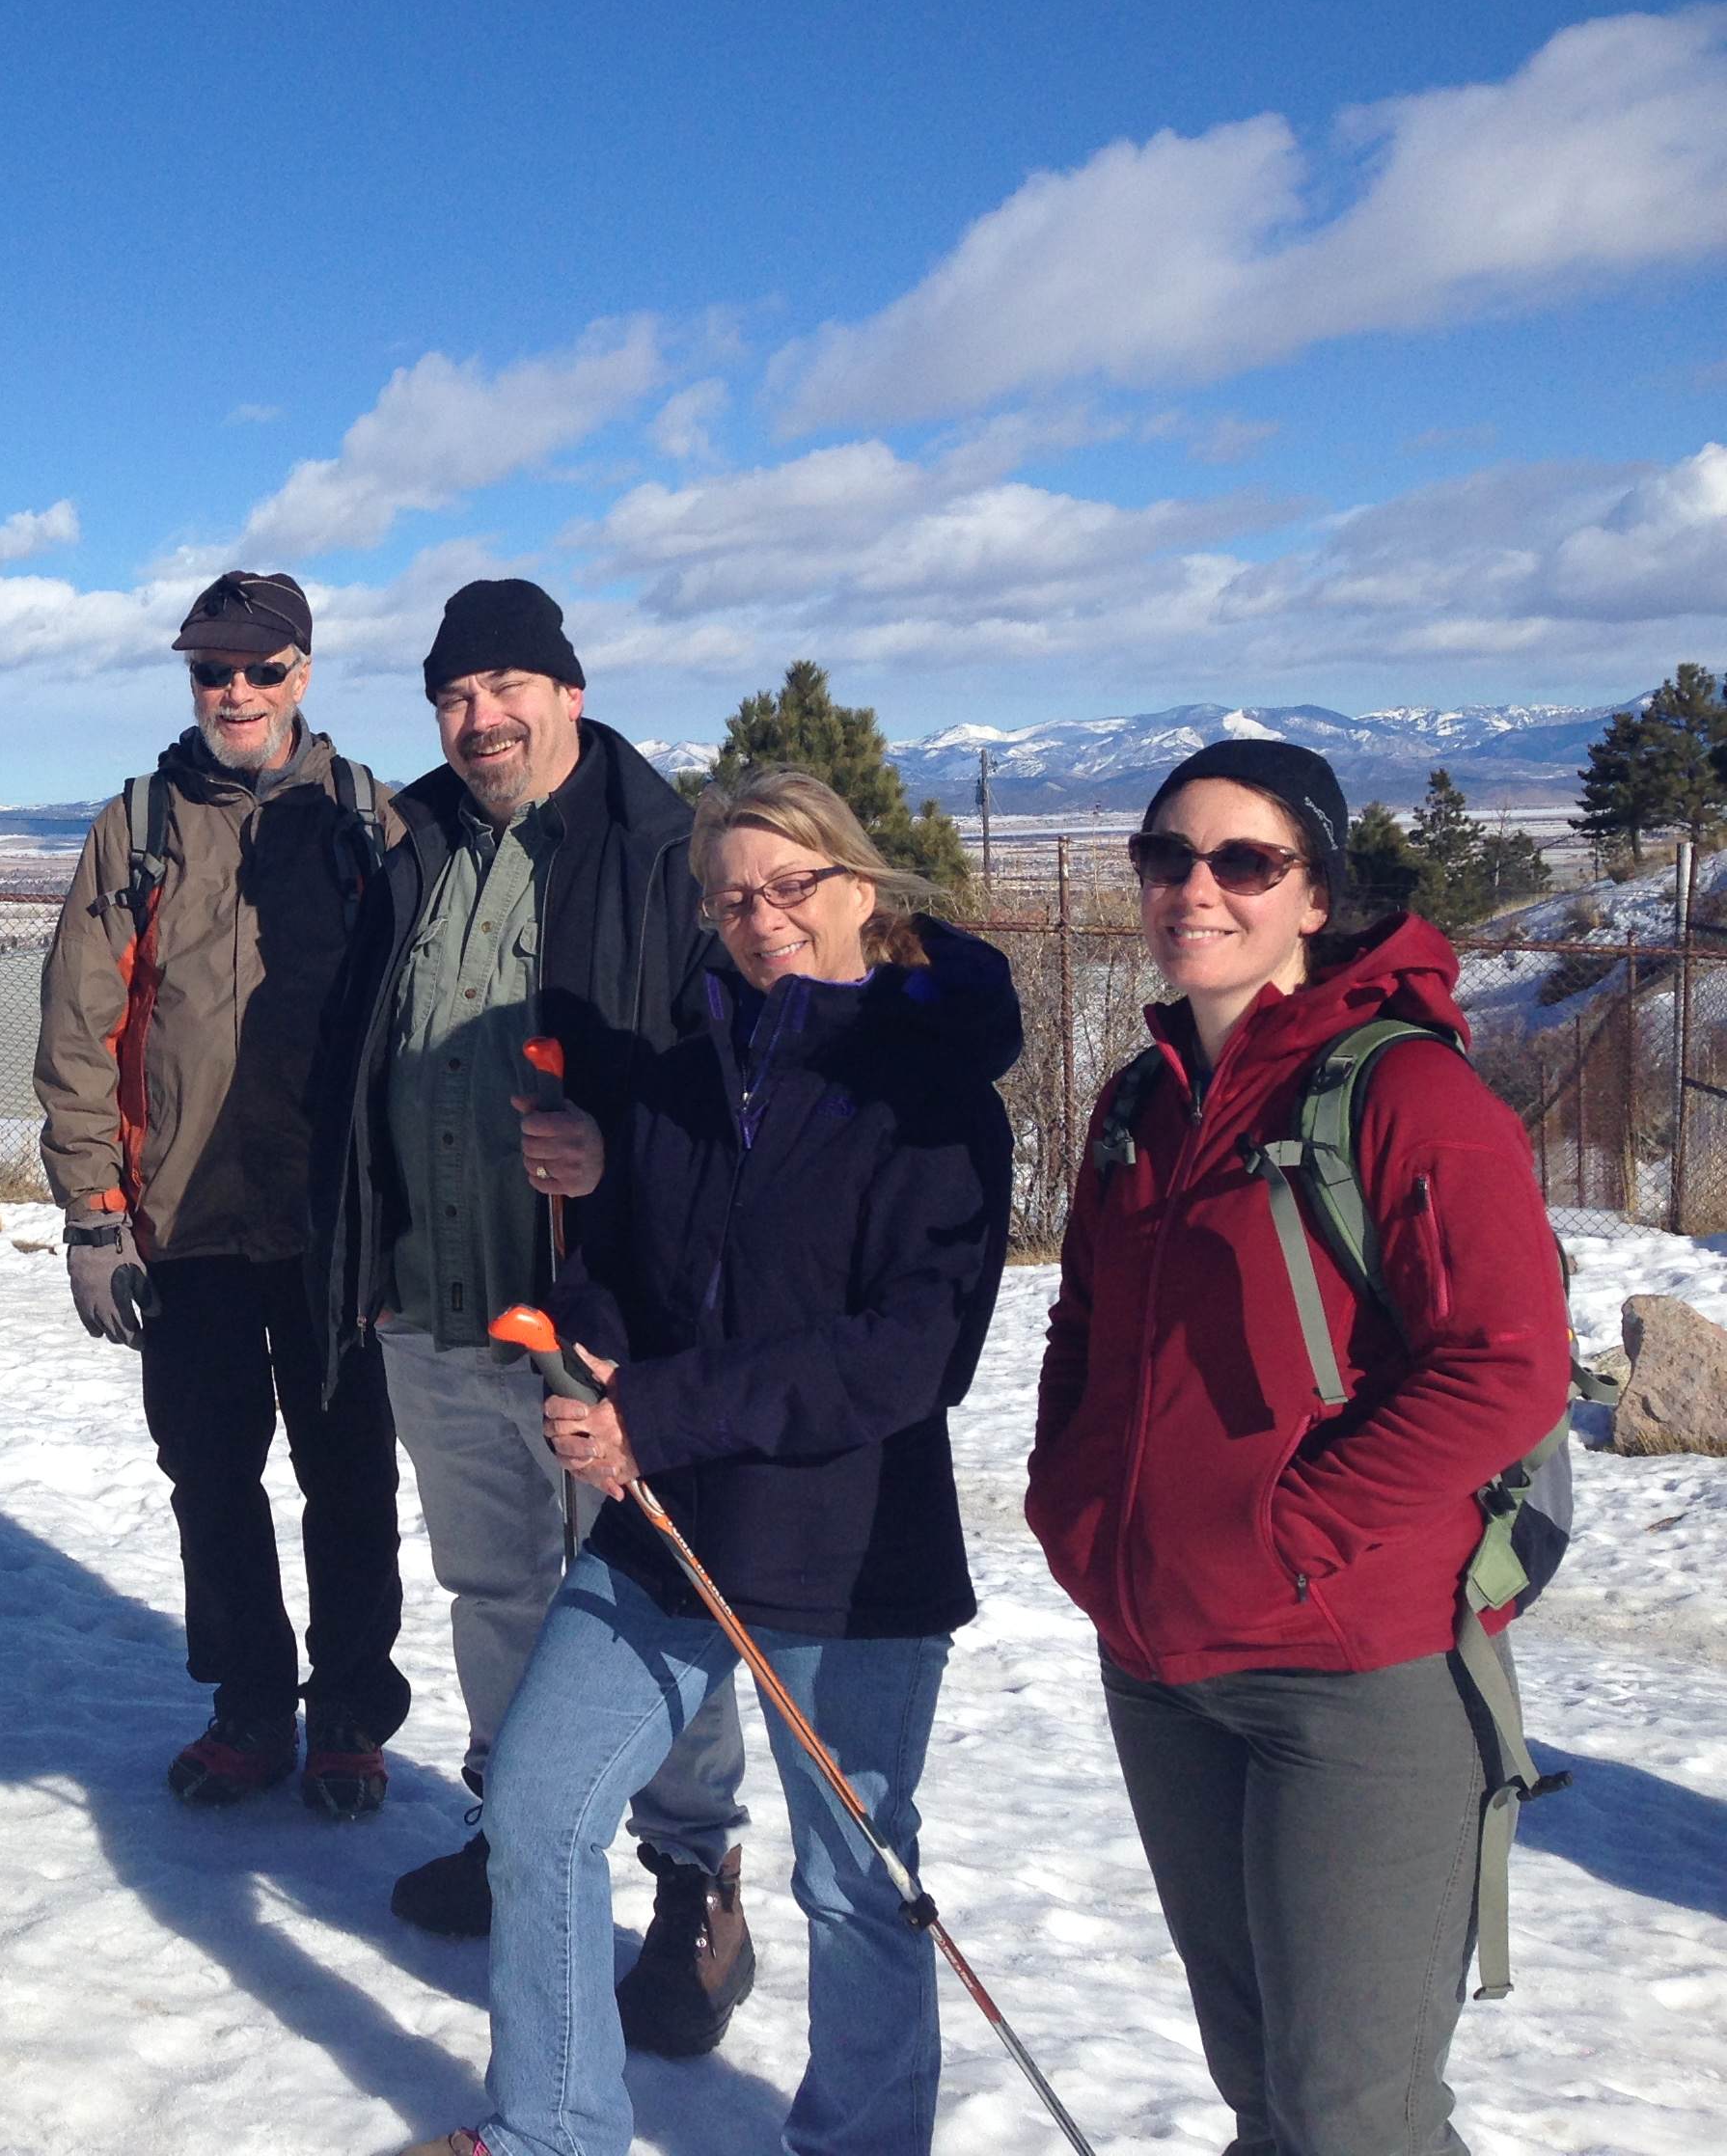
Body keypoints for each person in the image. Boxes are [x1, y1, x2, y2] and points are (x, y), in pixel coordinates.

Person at [407, 766, 1016, 2156]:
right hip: (663, 1529)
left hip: (847, 1546)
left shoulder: (932, 1101)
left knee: (857, 1886)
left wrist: (660, 1412)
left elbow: (911, 1353)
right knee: (540, 1807)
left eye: (793, 884)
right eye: (734, 895)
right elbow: (630, 1279)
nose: (764, 917)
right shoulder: (686, 1079)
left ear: (860, 885)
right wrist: (592, 1360)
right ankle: (552, 2126)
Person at [1026, 740, 1573, 2156]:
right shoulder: (1140, 1103)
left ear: (1314, 894)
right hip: (1162, 1667)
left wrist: (1292, 1531)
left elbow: (1507, 1373)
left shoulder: (1406, 1098)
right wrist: (1073, 1504)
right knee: (1268, 2089)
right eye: (1166, 859)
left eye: (1242, 863)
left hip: (1356, 1680)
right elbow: (1084, 1323)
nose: (1193, 890)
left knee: (1356, 2116)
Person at [312, 577, 758, 2056]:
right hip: (435, 1303)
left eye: (506, 685)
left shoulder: (662, 852)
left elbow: (735, 1077)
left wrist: (623, 1146)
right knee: (494, 1584)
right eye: (452, 694)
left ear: (568, 689)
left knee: (643, 1595)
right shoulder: (420, 840)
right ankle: (522, 1840)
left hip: (596, 1311)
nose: (479, 717)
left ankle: (696, 1878)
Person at [33, 571, 412, 1816]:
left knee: (348, 1471)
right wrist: (93, 1213)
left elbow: (423, 1022)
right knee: (210, 1471)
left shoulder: (372, 822)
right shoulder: (135, 828)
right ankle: (250, 1702)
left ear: (303, 673)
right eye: (212, 669)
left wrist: (416, 1210)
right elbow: (79, 1037)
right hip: (180, 1224)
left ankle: (351, 1705)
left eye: (260, 668)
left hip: (331, 1225)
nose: (234, 691)